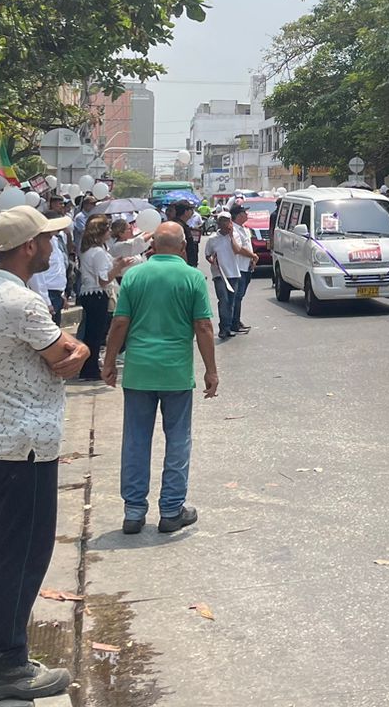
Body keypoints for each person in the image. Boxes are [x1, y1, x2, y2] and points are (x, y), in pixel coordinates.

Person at [0, 206, 88, 700]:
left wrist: (70, 350)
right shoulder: (20, 302)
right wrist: (75, 351)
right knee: (22, 556)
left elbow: (64, 352)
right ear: (29, 246)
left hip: (1, 441)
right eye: (47, 239)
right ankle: (8, 665)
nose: (54, 246)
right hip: (26, 446)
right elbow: (68, 358)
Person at [101, 222, 218, 535]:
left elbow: (120, 322)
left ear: (152, 248)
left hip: (139, 372)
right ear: (182, 247)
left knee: (136, 440)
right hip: (175, 374)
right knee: (178, 440)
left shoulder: (136, 275)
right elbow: (204, 327)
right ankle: (170, 510)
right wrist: (211, 370)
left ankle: (134, 512)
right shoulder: (192, 277)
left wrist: (109, 362)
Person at [75, 215, 114, 381]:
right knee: (95, 334)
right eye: (108, 229)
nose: (110, 232)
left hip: (88, 293)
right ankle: (90, 368)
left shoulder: (88, 250)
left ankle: (88, 366)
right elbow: (103, 279)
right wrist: (119, 267)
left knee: (92, 332)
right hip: (97, 293)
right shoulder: (97, 252)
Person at [204, 213, 244, 340]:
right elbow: (208, 255)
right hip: (219, 274)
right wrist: (212, 261)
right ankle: (224, 328)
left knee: (231, 302)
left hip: (233, 273)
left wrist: (231, 236)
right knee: (223, 301)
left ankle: (228, 326)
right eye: (222, 221)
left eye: (227, 221)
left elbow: (237, 250)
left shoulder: (235, 235)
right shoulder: (212, 238)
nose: (225, 224)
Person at [28, 204, 70, 325]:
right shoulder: (40, 244)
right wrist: (46, 301)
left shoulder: (56, 240)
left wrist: (62, 294)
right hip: (47, 294)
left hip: (56, 293)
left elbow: (59, 269)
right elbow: (37, 275)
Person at [227, 205, 256, 333]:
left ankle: (236, 321)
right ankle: (234, 323)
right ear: (238, 215)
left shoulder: (244, 229)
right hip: (239, 268)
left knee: (240, 296)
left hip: (246, 266)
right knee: (237, 297)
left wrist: (251, 260)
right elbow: (238, 249)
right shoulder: (234, 230)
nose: (247, 215)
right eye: (245, 212)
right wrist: (253, 256)